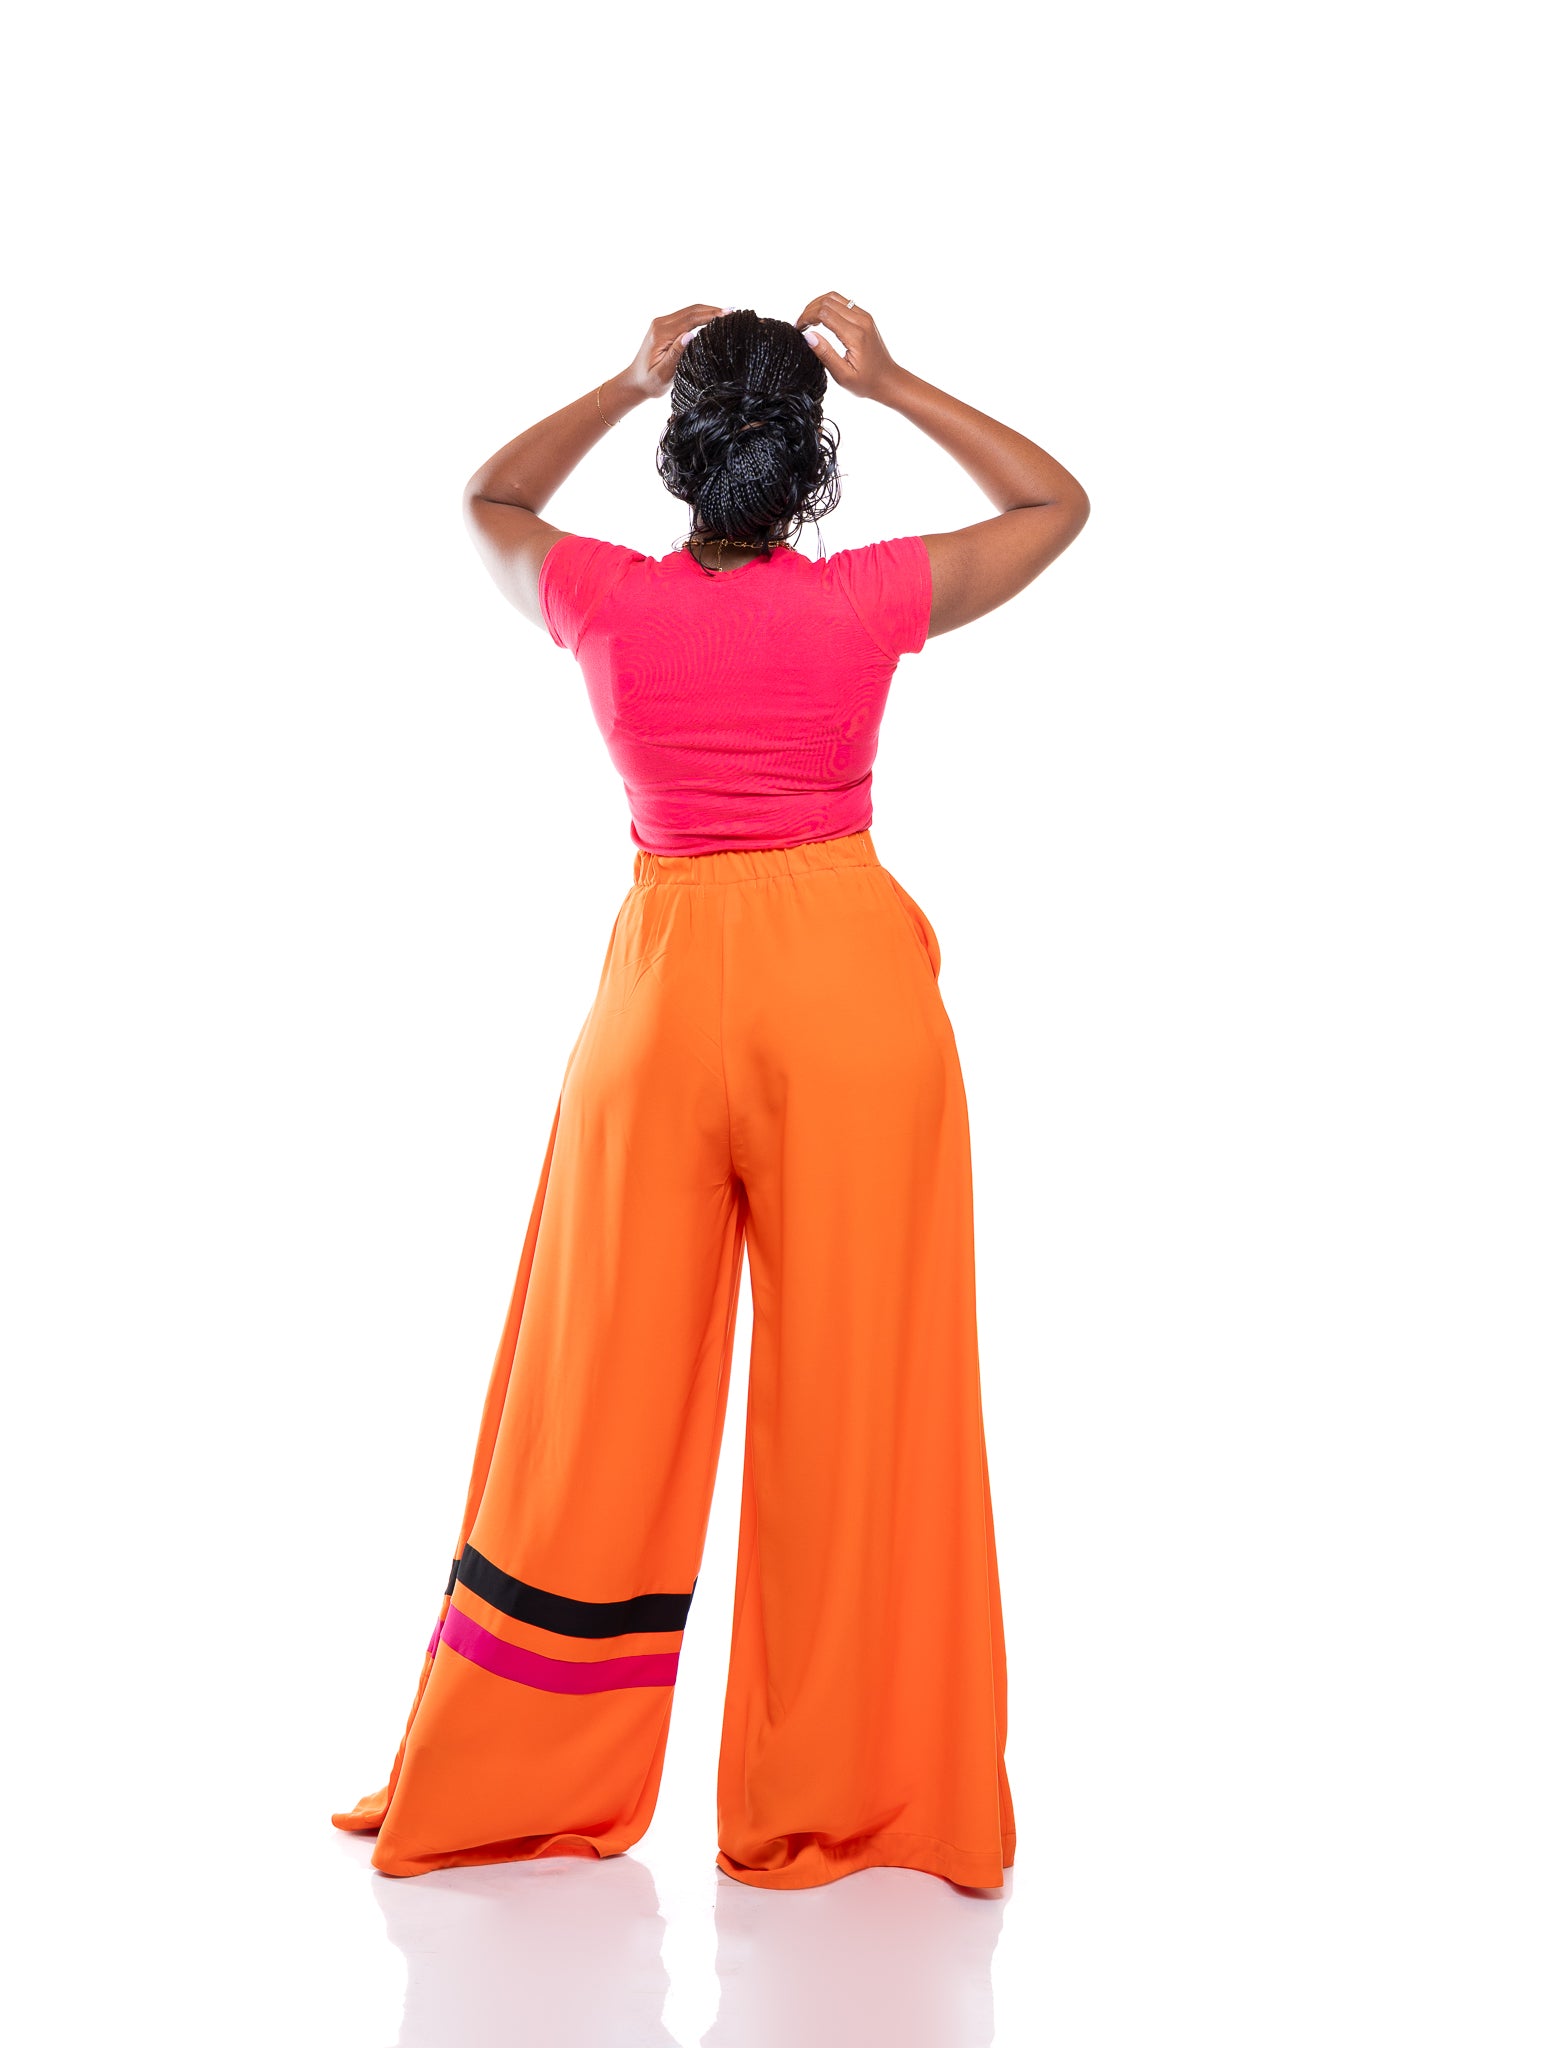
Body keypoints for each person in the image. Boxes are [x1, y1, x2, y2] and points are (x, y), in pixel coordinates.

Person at [331, 298, 1089, 1890]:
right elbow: (1052, 502)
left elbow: (488, 498)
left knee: (590, 1396)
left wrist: (619, 378)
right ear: (810, 462)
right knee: (866, 1403)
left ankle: (512, 1768)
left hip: (662, 1005)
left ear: (679, 457)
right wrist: (896, 381)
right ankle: (857, 1788)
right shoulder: (871, 598)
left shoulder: (602, 599)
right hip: (847, 1003)